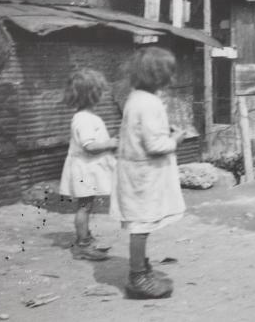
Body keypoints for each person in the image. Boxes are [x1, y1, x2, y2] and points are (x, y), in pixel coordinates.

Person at [111, 47, 186, 299]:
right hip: (143, 175)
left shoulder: (135, 98)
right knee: (140, 225)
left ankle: (142, 268)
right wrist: (176, 139)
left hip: (134, 170)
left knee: (140, 223)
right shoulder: (150, 103)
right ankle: (137, 278)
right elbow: (155, 146)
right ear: (161, 76)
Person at [59, 69, 118, 261]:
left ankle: (85, 238)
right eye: (99, 91)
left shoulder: (87, 116)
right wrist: (111, 143)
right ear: (92, 94)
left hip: (88, 167)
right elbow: (90, 146)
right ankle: (83, 245)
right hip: (84, 168)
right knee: (84, 206)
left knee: (87, 204)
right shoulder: (84, 119)